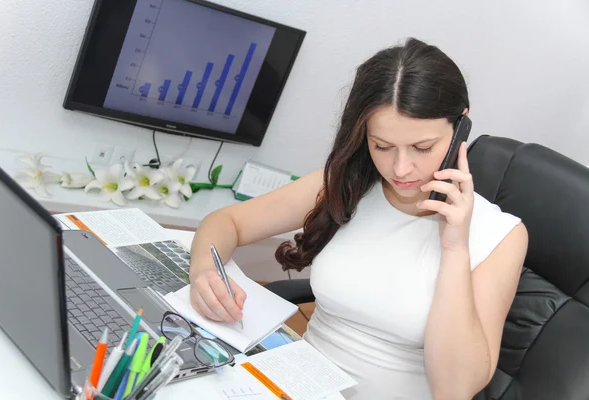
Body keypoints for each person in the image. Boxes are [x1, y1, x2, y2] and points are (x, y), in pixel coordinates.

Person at [188, 37, 528, 400]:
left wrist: (455, 247)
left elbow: (455, 389)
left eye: (423, 148)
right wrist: (204, 272)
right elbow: (227, 222)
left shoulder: (501, 236)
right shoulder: (347, 186)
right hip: (296, 385)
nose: (400, 169)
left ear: (461, 127)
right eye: (381, 146)